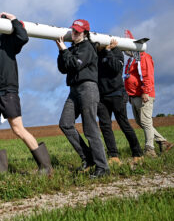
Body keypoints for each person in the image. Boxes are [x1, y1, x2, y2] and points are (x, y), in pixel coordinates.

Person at [0, 11, 52, 175]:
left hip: (7, 90)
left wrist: (14, 19)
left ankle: (45, 167)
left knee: (17, 129)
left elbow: (23, 38)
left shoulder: (5, 37)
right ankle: (0, 172)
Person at [56, 19, 110, 179]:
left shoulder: (87, 47)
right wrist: (61, 51)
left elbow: (74, 65)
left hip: (87, 88)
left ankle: (103, 167)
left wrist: (65, 50)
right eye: (73, 30)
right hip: (74, 90)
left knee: (90, 129)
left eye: (77, 31)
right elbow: (63, 68)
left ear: (85, 33)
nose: (74, 33)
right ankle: (88, 158)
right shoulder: (73, 48)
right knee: (65, 124)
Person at [123, 30, 173, 157]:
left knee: (146, 122)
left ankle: (150, 149)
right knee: (141, 122)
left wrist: (145, 92)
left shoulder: (144, 57)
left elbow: (147, 76)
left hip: (143, 95)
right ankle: (163, 142)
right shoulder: (131, 60)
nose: (125, 51)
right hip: (133, 96)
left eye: (126, 47)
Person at [96, 38, 143, 165]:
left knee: (124, 124)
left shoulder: (116, 52)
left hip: (117, 95)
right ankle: (114, 156)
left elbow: (116, 68)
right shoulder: (96, 54)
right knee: (105, 126)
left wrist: (108, 51)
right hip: (101, 97)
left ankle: (137, 153)